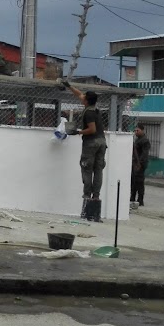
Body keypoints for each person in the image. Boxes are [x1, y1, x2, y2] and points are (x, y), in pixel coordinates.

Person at [62, 80, 106, 221]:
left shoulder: (89, 113)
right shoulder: (94, 109)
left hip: (92, 143)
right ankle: (96, 196)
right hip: (102, 142)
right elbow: (79, 94)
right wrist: (69, 86)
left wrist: (78, 132)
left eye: (84, 97)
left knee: (86, 167)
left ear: (86, 101)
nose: (82, 98)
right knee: (98, 169)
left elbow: (92, 129)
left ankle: (87, 195)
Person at [130, 124, 151, 207]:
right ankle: (132, 197)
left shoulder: (145, 141)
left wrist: (140, 164)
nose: (136, 132)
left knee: (139, 182)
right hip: (135, 164)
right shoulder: (138, 139)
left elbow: (144, 154)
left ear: (142, 130)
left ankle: (140, 199)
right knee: (134, 181)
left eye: (137, 130)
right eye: (135, 130)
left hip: (140, 164)